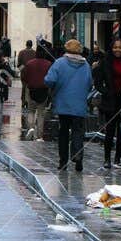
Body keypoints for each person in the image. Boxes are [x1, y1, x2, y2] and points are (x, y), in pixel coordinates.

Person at [44, 40, 95, 172]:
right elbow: (90, 83)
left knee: (63, 133)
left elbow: (49, 80)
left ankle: (63, 161)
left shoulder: (59, 63)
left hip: (63, 104)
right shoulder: (86, 66)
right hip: (79, 105)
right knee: (78, 132)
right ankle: (78, 157)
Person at [93, 36, 121, 167]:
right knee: (110, 130)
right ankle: (107, 158)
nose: (117, 50)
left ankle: (118, 157)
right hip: (110, 99)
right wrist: (106, 91)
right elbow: (97, 82)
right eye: (115, 47)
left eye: (120, 47)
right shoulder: (105, 62)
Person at [19, 43, 53, 141]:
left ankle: (31, 128)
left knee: (31, 111)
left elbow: (24, 77)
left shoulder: (29, 63)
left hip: (31, 90)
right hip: (43, 90)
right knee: (41, 113)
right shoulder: (48, 64)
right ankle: (40, 136)